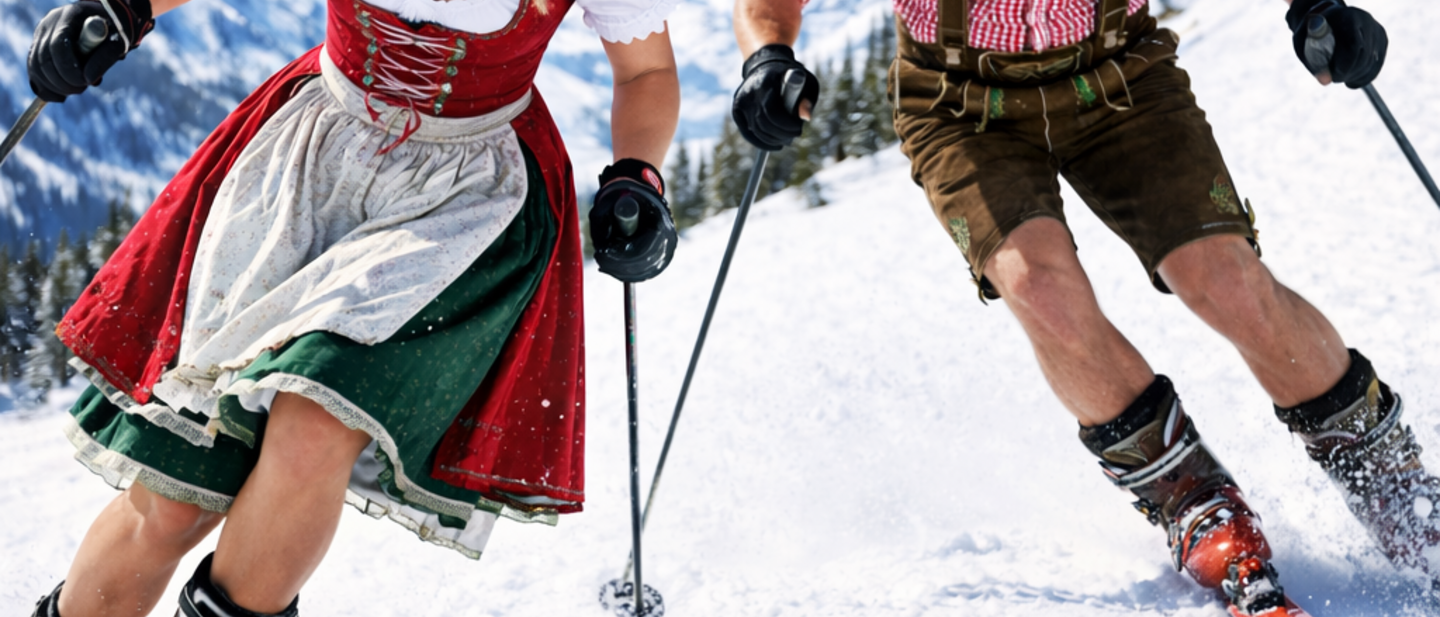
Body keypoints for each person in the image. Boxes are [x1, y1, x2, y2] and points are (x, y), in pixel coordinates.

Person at [731, 0, 1435, 613]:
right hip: (962, 103)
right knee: (1038, 284)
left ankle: (1391, 479)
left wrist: (1315, 4)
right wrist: (768, 55)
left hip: (1120, 76)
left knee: (1223, 278)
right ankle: (1191, 499)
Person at [25, 0, 680, 614]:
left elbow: (645, 69)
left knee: (315, 425)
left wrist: (637, 173)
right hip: (308, 163)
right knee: (174, 498)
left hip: (464, 200)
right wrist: (124, 8)